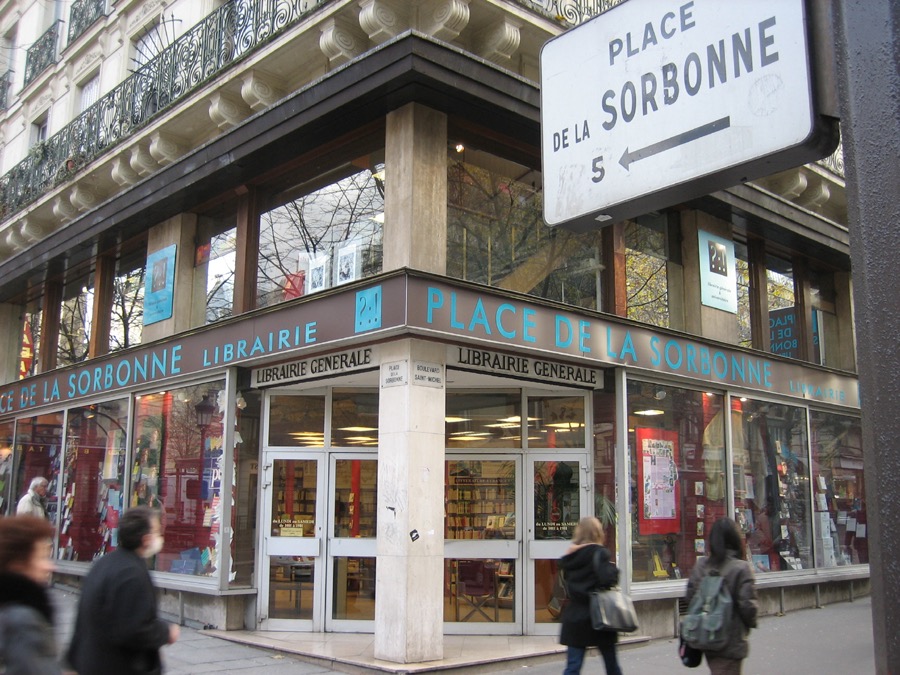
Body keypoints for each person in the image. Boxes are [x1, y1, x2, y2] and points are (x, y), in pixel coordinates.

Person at [67, 506, 179, 675]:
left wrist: (72, 662)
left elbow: (82, 617)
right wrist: (166, 632)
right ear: (146, 539)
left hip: (91, 662)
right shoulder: (132, 574)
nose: (160, 536)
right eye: (157, 531)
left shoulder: (103, 564)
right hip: (117, 665)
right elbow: (134, 628)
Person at [686, 517, 759, 674]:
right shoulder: (741, 568)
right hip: (731, 639)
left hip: (706, 634)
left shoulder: (702, 565)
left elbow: (690, 597)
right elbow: (748, 606)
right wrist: (751, 623)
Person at [558, 516, 622, 675]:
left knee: (573, 666)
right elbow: (608, 579)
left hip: (575, 615)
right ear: (598, 533)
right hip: (600, 615)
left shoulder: (570, 556)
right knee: (611, 664)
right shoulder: (599, 553)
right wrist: (613, 570)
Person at [0, 514, 61, 674]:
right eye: (42, 557)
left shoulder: (10, 608)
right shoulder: (23, 621)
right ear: (18, 565)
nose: (50, 567)